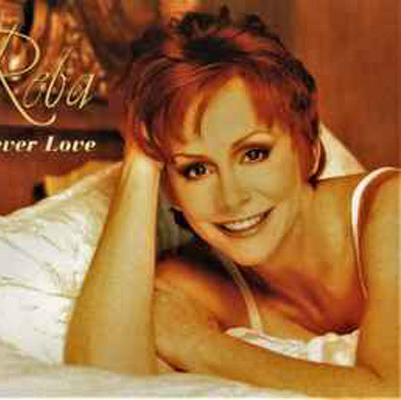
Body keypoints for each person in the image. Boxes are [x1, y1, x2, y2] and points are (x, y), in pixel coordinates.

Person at [64, 8, 399, 397]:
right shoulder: (190, 285)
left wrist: (199, 346)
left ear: (307, 148)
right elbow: (99, 380)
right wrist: (141, 163)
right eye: (196, 169)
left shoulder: (391, 211)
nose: (231, 197)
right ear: (170, 189)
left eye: (254, 154)